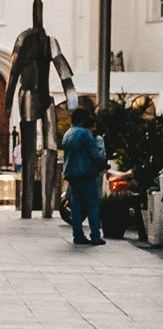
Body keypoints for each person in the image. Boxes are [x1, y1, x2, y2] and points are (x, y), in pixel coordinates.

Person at [63, 106, 107, 247]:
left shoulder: (68, 133)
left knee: (76, 206)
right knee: (93, 205)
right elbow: (94, 153)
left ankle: (78, 235)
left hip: (72, 174)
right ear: (82, 120)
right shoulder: (84, 134)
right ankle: (95, 236)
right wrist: (102, 165)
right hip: (85, 173)